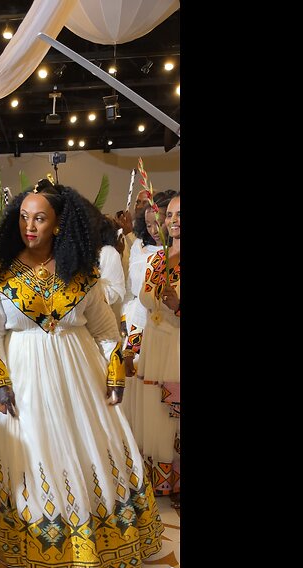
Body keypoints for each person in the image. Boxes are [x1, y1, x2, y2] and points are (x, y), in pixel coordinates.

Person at [0, 179, 163, 568]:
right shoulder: (1, 274)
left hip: (80, 377)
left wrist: (114, 374)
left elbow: (104, 330)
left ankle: (96, 549)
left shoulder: (82, 272)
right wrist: (1, 382)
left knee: (87, 453)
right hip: (24, 379)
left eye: (39, 218)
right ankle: (42, 550)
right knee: (37, 456)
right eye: (23, 217)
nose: (29, 226)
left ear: (59, 224)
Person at [136, 192, 181, 509]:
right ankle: (159, 480)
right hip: (154, 344)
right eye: (171, 215)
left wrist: (178, 307)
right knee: (156, 414)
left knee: (175, 416)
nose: (174, 221)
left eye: (180, 215)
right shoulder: (157, 259)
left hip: (177, 345)